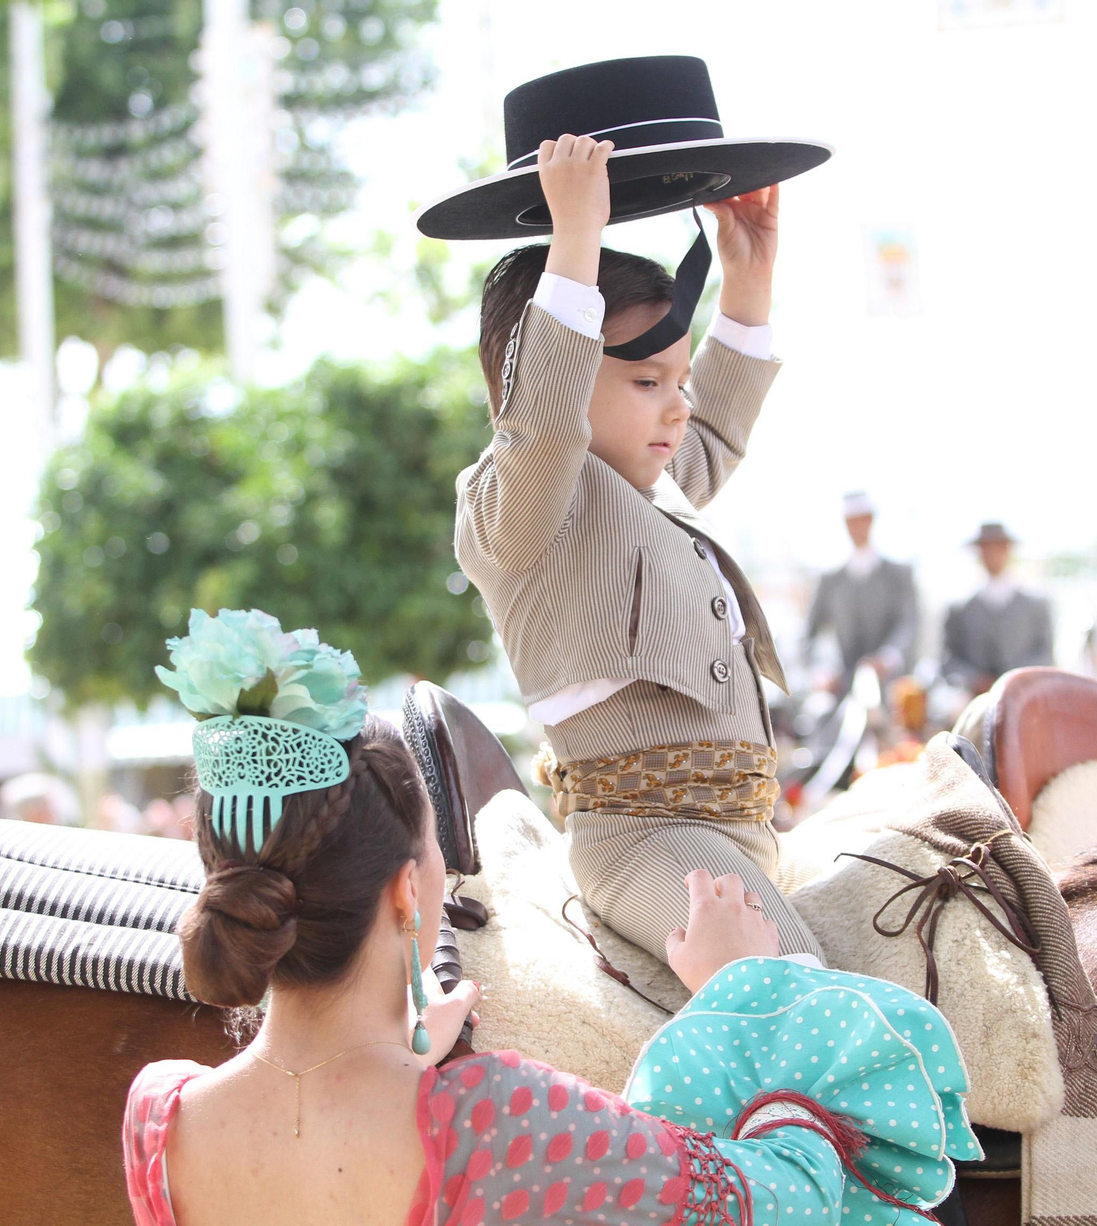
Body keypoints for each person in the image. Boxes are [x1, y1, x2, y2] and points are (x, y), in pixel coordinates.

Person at [125, 611, 980, 1226]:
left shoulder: (161, 1122)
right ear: (402, 892)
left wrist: (404, 1053)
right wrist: (741, 991)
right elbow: (780, 1198)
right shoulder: (494, 1118)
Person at [443, 58, 834, 964]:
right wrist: (574, 243)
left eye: (681, 381)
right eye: (647, 380)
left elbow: (716, 437)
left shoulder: (645, 496)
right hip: (642, 846)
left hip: (739, 839)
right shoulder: (519, 506)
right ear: (555, 370)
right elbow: (541, 427)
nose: (677, 406)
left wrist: (748, 284)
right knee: (800, 993)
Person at [801, 491, 919, 696]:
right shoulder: (830, 580)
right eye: (851, 521)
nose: (856, 527)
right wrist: (822, 670)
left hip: (890, 686)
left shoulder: (898, 575)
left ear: (871, 520)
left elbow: (909, 624)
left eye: (862, 520)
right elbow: (809, 635)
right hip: (841, 687)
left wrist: (887, 659)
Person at [941, 522, 1053, 696]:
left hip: (1024, 697)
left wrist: (1014, 678)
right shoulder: (959, 609)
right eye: (986, 547)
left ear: (1008, 549)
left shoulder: (1036, 605)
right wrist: (974, 679)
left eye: (998, 547)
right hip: (974, 698)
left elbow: (1045, 654)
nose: (992, 554)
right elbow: (948, 659)